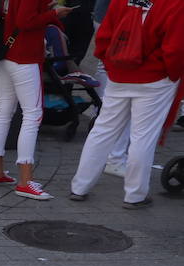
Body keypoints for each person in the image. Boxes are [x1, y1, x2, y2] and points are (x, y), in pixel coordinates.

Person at [68, 0, 184, 208]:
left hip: (119, 73)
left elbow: (104, 36)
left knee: (103, 131)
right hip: (155, 77)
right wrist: (171, 75)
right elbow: (175, 49)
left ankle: (80, 186)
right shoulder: (175, 4)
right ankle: (135, 194)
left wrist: (111, 64)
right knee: (143, 137)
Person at [0, 0, 68, 198]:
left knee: (5, 109)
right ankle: (25, 180)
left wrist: (46, 10)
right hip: (24, 56)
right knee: (32, 115)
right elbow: (25, 21)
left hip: (8, 51)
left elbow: (18, 14)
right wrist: (53, 14)